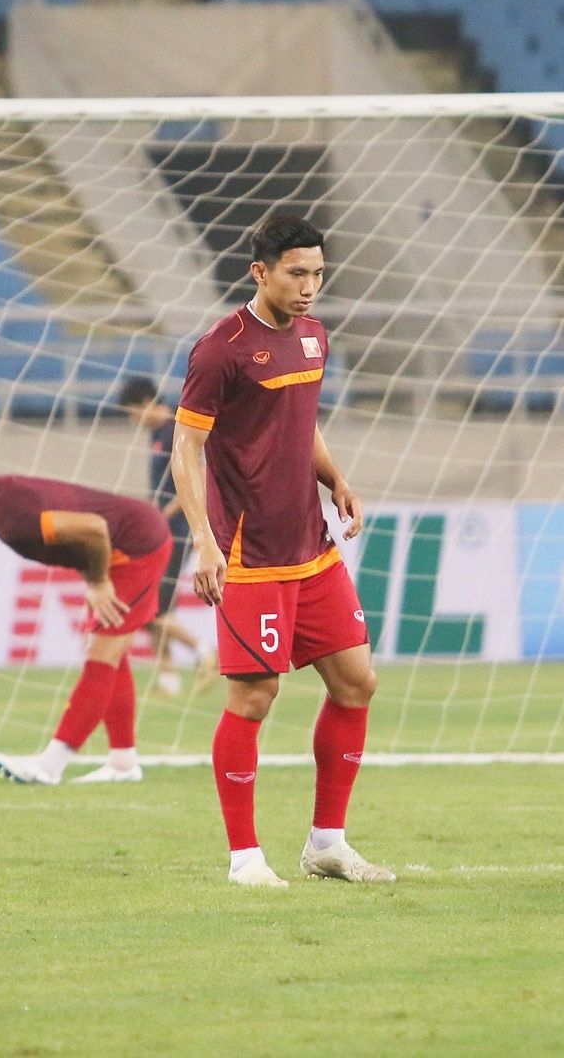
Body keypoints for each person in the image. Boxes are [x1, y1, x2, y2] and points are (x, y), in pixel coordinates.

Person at [172, 215, 392, 887]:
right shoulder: (222, 349)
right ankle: (244, 858)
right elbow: (187, 447)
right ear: (259, 272)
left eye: (318, 274)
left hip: (311, 545)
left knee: (357, 683)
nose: (309, 287)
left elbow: (302, 425)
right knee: (254, 697)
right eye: (297, 273)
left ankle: (327, 843)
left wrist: (337, 480)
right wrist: (204, 541)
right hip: (250, 553)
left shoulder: (315, 337)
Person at [0, 451, 171, 785]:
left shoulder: (12, 517)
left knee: (101, 656)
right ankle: (123, 763)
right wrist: (91, 576)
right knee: (109, 653)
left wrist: (99, 581)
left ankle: (50, 766)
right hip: (127, 540)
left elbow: (94, 528)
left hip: (136, 548)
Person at [115, 375, 213, 696]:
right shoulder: (157, 435)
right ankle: (169, 680)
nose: (133, 421)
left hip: (178, 532)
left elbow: (197, 476)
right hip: (161, 532)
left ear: (145, 404)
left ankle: (204, 650)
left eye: (131, 413)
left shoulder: (174, 430)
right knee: (155, 606)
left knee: (146, 608)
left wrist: (162, 515)